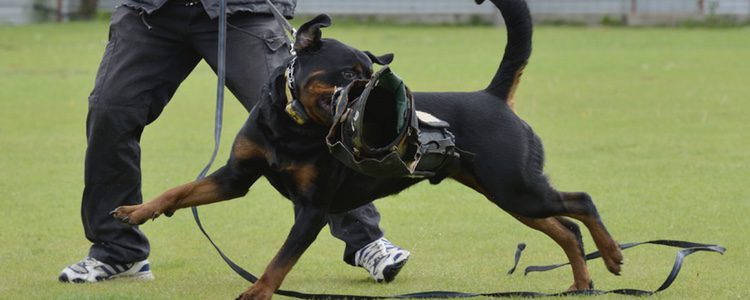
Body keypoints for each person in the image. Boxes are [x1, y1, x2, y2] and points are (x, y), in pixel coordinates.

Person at [59, 0, 409, 284]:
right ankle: (118, 252)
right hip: (152, 13)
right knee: (110, 111)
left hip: (244, 11)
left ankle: (365, 241)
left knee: (301, 112)